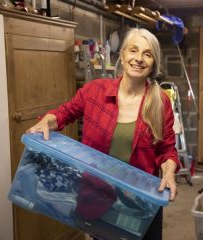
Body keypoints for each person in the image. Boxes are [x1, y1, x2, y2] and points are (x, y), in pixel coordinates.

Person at [27, 27, 180, 240]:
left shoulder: (160, 102)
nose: (139, 59)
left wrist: (170, 173)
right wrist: (47, 120)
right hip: (98, 196)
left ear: (154, 62)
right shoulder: (95, 91)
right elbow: (65, 113)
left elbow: (167, 150)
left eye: (147, 53)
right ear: (123, 54)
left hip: (140, 201)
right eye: (133, 50)